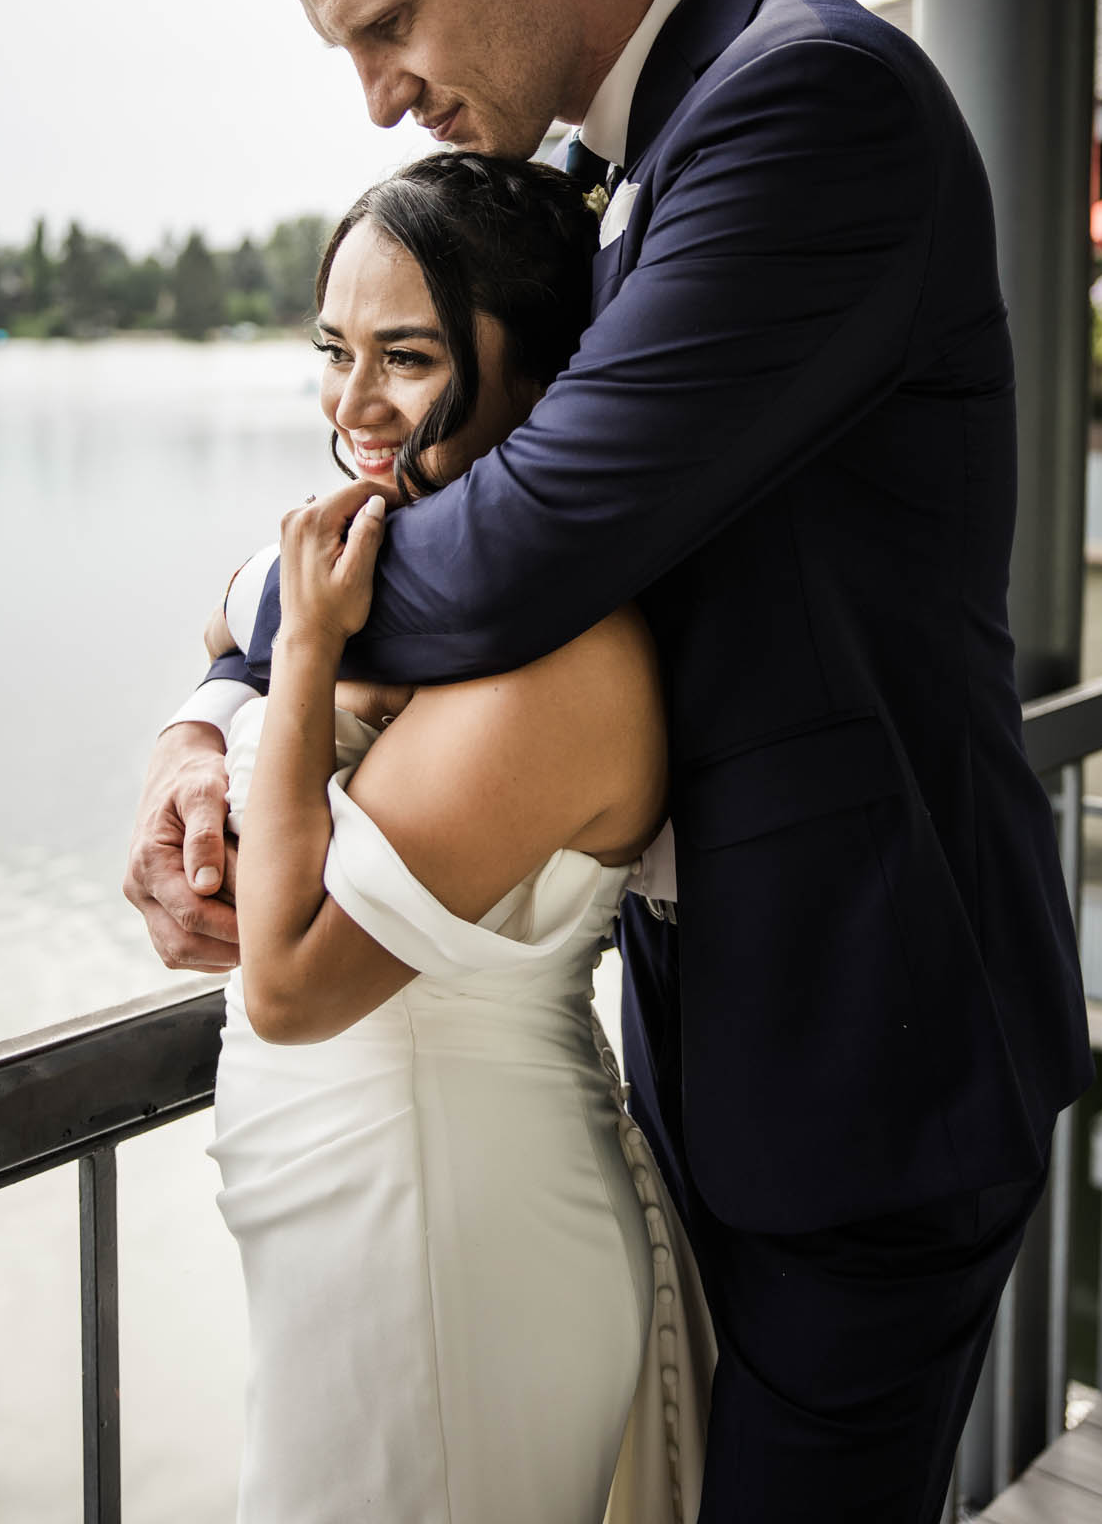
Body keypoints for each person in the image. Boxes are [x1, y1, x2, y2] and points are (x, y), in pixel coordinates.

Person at [127, 0, 1093, 1521]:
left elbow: (519, 548)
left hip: (870, 1056)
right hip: (717, 1050)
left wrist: (284, 594)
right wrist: (213, 713)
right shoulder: (614, 168)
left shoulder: (806, 108)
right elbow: (454, 500)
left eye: (389, 24)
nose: (380, 99)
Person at [207, 150, 713, 1524]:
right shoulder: (420, 579)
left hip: (448, 1228)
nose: (354, 406)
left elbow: (292, 983)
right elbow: (228, 614)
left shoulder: (562, 664)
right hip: (355, 1212)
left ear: (544, 381)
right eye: (334, 352)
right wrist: (205, 712)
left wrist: (304, 651)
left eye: (408, 359)